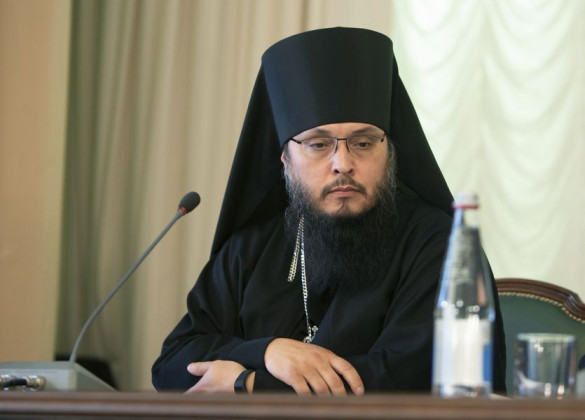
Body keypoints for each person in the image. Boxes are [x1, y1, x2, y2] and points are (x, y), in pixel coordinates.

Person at [152, 27, 507, 395]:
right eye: (318, 145)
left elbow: (412, 378)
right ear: (286, 160)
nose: (343, 164)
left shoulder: (440, 245)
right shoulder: (251, 249)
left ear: (389, 152)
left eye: (363, 143)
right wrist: (269, 351)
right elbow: (172, 364)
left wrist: (249, 382)